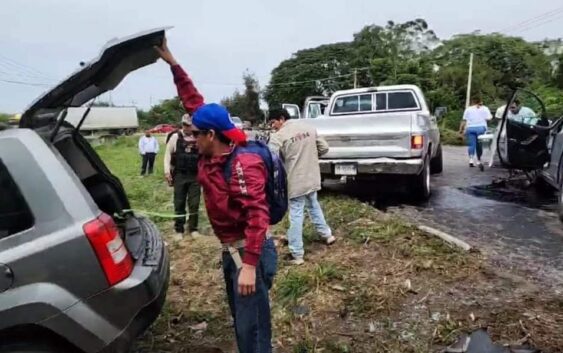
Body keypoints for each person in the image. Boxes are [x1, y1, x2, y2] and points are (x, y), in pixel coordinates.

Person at [155, 39, 277, 353]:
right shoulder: (212, 149)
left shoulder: (243, 166)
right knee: (242, 319)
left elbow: (257, 215)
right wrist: (173, 63)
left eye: (195, 134)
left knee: (253, 329)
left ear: (211, 135)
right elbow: (193, 102)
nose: (189, 138)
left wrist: (249, 265)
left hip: (248, 253)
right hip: (232, 250)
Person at [268, 109, 336, 265]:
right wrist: (309, 157)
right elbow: (324, 148)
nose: (272, 127)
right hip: (312, 176)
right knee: (313, 204)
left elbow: (270, 159)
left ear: (281, 118)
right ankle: (327, 235)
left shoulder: (279, 136)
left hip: (295, 180)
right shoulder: (309, 127)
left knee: (296, 213)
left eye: (273, 122)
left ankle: (297, 253)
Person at [164, 114, 201, 240]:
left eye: (189, 125)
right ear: (182, 124)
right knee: (179, 203)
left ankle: (193, 229)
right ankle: (179, 229)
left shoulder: (198, 137)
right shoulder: (175, 137)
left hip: (195, 176)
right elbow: (167, 155)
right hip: (180, 175)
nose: (187, 127)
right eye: (185, 124)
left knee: (194, 204)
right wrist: (167, 171)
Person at [459, 97, 492, 168]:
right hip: (481, 128)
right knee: (479, 145)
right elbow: (489, 118)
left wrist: (461, 130)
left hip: (470, 128)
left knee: (471, 144)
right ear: (481, 101)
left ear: (473, 101)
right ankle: (479, 160)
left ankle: (471, 160)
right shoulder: (485, 108)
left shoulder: (468, 109)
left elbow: (464, 120)